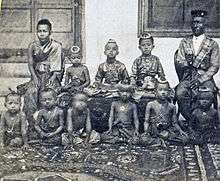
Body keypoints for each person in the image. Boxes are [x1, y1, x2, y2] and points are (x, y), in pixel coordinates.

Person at [18, 19, 64, 133]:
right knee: (31, 92)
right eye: (39, 31)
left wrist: (52, 79)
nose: (42, 33)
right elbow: (30, 64)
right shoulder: (33, 46)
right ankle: (33, 126)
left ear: (50, 32)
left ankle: (51, 126)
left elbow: (57, 67)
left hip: (51, 76)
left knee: (49, 94)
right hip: (37, 75)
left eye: (44, 31)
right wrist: (34, 77)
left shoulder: (56, 46)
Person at [175, 10, 220, 120]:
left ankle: (204, 122)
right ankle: (192, 121)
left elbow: (215, 66)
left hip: (204, 78)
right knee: (180, 93)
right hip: (188, 77)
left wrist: (200, 79)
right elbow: (180, 60)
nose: (196, 25)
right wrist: (188, 68)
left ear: (204, 24)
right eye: (194, 22)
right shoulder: (184, 42)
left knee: (207, 94)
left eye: (199, 22)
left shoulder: (212, 44)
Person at [142, 81, 188, 145]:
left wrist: (180, 131)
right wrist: (146, 132)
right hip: (154, 130)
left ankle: (162, 141)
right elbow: (146, 121)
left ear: (169, 92)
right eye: (160, 90)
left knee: (185, 139)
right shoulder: (150, 104)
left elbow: (174, 122)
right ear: (155, 91)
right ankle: (161, 141)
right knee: (143, 140)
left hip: (167, 130)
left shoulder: (172, 106)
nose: (163, 92)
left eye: (165, 90)